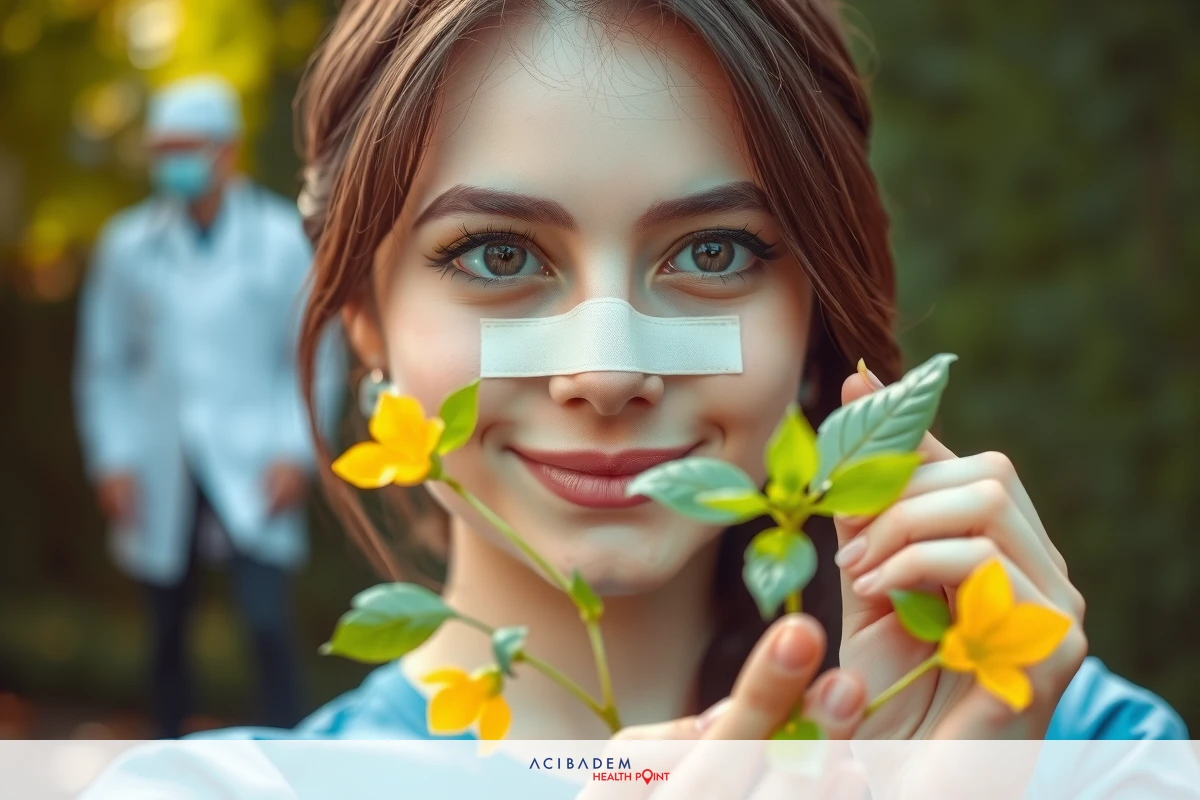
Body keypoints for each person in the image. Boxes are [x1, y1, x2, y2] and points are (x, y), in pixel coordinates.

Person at [73, 75, 345, 738]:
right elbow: (104, 365)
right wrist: (112, 458)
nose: (174, 162)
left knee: (266, 623)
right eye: (163, 148)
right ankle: (166, 760)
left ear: (227, 151)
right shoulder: (127, 245)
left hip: (254, 457)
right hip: (159, 458)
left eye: (186, 147)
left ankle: (290, 761)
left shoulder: (280, 240)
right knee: (166, 627)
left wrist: (295, 452)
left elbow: (313, 356)